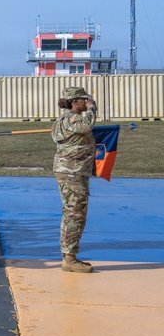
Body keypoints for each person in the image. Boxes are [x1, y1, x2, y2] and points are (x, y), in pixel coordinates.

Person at [52, 86, 98, 273]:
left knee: (71, 212)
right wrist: (93, 108)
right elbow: (87, 126)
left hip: (70, 172)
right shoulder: (74, 119)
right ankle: (69, 258)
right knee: (75, 214)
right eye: (84, 100)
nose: (87, 102)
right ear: (75, 102)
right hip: (73, 173)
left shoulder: (64, 119)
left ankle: (69, 255)